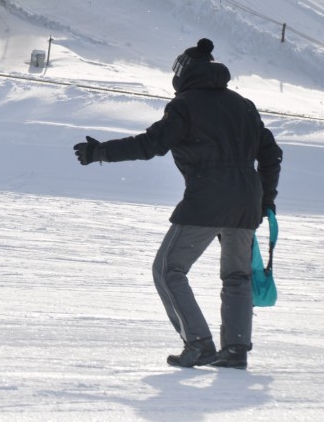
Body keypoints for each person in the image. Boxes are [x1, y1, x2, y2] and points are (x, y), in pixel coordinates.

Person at [73, 38, 282, 369]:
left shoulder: (185, 105)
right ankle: (235, 350)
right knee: (237, 276)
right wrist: (264, 198)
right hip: (246, 202)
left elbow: (152, 144)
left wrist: (101, 152)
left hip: (209, 199)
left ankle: (198, 343)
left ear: (184, 73)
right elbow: (271, 153)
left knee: (168, 269)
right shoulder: (243, 105)